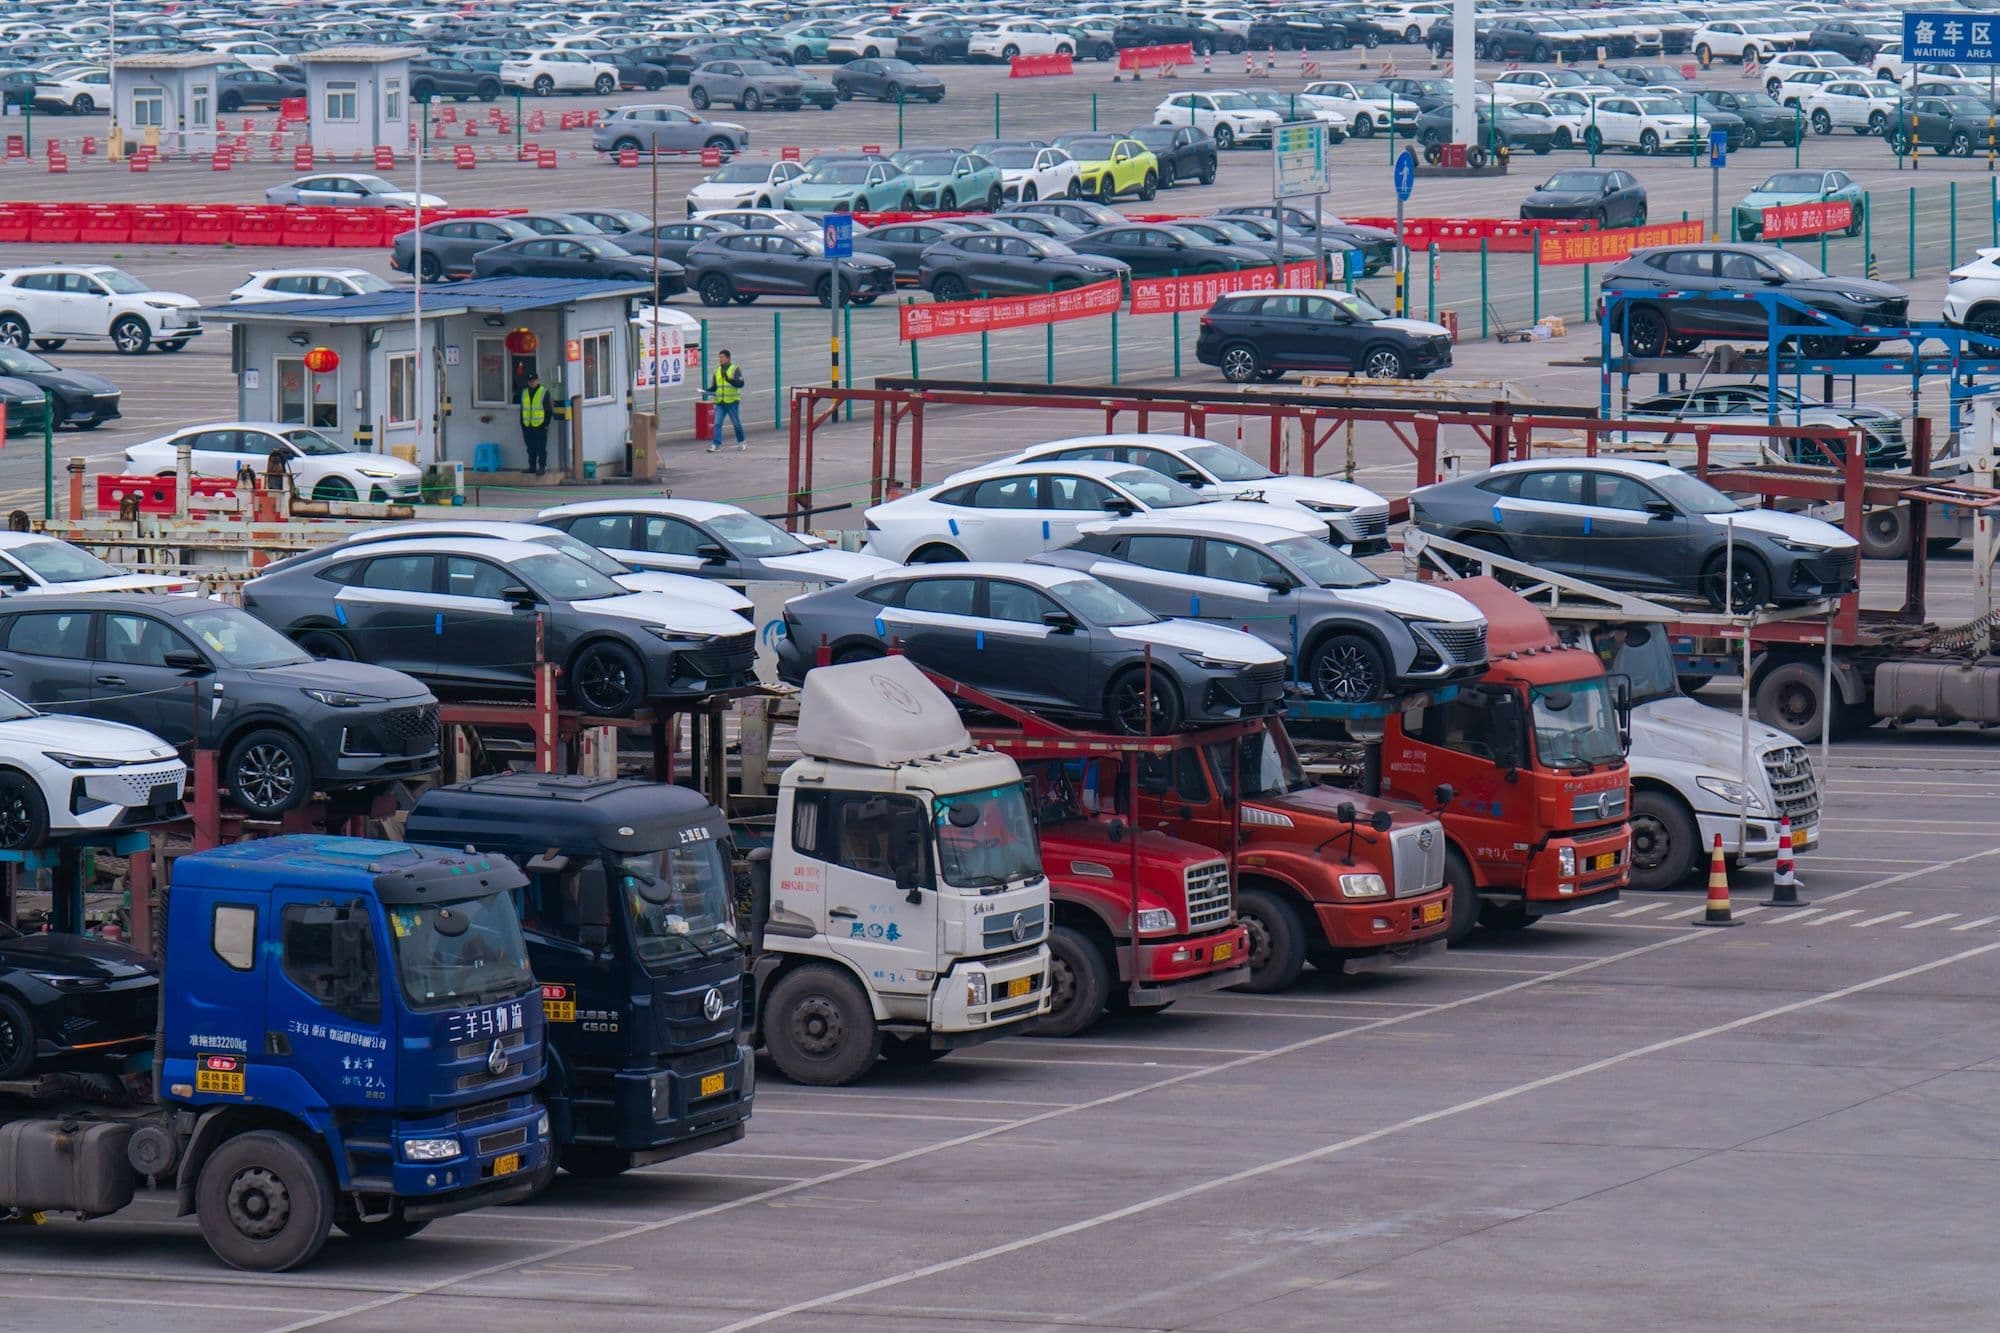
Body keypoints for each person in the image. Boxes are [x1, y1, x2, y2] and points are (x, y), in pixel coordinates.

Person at [706, 349, 745, 453]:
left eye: (722, 357)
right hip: (720, 402)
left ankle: (742, 441)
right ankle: (716, 444)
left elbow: (741, 384)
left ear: (728, 358)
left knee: (736, 423)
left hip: (732, 401)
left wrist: (729, 380)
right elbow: (715, 387)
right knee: (717, 423)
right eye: (719, 357)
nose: (720, 359)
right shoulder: (717, 370)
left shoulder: (735, 369)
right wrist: (706, 390)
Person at [518, 369, 551, 475]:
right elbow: (522, 409)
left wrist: (546, 424)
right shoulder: (524, 392)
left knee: (541, 448)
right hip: (527, 425)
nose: (532, 382)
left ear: (537, 380)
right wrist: (522, 423)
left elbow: (548, 410)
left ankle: (542, 467)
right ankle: (532, 466)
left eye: (533, 380)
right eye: (530, 381)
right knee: (530, 448)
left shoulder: (543, 391)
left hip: (540, 425)